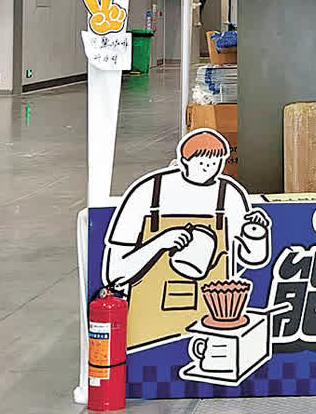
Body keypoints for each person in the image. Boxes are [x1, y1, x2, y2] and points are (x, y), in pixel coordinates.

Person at [104, 130, 271, 351]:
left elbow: (253, 259)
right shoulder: (148, 192)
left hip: (209, 330)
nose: (208, 168)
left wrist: (256, 233)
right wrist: (160, 242)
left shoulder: (228, 195)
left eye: (215, 162)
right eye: (201, 162)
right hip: (146, 334)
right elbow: (115, 273)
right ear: (183, 161)